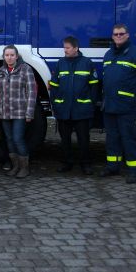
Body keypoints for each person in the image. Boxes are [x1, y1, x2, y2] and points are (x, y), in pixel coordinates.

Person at [100, 24, 136, 184]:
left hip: (129, 107)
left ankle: (134, 171)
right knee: (112, 139)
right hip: (110, 106)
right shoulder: (108, 55)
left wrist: (134, 92)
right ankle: (113, 166)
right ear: (112, 36)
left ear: (127, 35)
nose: (118, 36)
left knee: (130, 139)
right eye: (115, 34)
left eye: (121, 34)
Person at [49, 36, 98, 175]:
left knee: (83, 140)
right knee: (65, 140)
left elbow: (94, 87)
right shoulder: (60, 63)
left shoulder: (87, 63)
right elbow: (54, 86)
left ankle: (86, 164)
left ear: (76, 48)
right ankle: (66, 163)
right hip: (64, 110)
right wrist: (56, 104)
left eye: (67, 48)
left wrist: (90, 105)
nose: (65, 50)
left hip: (82, 110)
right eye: (64, 47)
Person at [0, 45, 37, 179]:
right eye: (7, 55)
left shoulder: (26, 69)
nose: (9, 57)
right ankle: (15, 165)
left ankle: (24, 167)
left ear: (17, 56)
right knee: (9, 140)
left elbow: (31, 92)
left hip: (20, 113)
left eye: (12, 55)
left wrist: (29, 113)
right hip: (4, 112)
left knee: (18, 139)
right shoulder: (0, 71)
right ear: (4, 57)